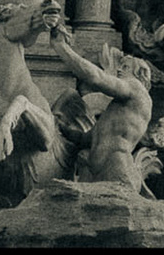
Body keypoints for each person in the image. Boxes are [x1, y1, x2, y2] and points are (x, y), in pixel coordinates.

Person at [47, 21, 157, 196]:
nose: (119, 70)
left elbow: (96, 77)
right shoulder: (118, 110)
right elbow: (88, 139)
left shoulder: (137, 89)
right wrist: (60, 127)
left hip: (117, 167)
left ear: (140, 74)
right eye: (120, 66)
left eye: (126, 67)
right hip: (97, 169)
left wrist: (61, 47)